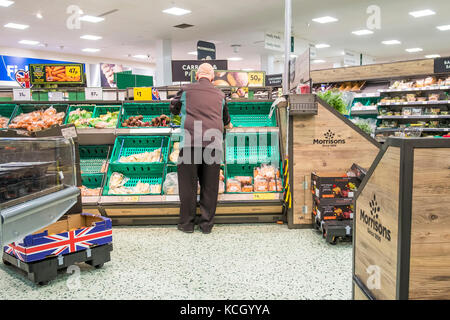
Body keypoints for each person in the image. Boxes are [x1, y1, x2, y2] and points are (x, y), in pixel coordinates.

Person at [170, 63, 233, 234]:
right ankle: (206, 225)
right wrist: (227, 124)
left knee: (188, 185)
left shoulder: (186, 90)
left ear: (197, 76)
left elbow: (173, 108)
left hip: (190, 142)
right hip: (213, 144)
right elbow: (226, 119)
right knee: (210, 186)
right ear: (212, 78)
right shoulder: (220, 94)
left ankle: (187, 224)